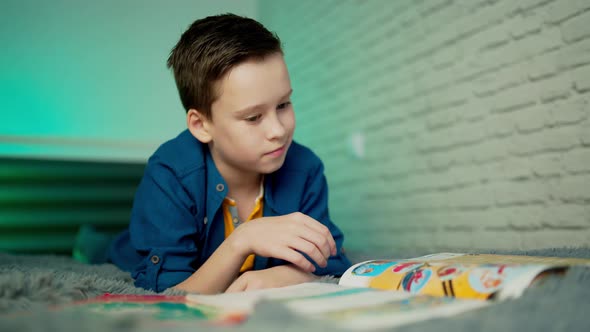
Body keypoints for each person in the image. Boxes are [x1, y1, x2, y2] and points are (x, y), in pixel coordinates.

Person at [108, 13, 351, 294]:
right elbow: (168, 294)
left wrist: (287, 274)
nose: (278, 130)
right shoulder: (170, 173)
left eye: (283, 104)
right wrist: (243, 240)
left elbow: (330, 263)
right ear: (201, 125)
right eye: (253, 117)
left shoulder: (305, 169)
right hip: (129, 245)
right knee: (107, 248)